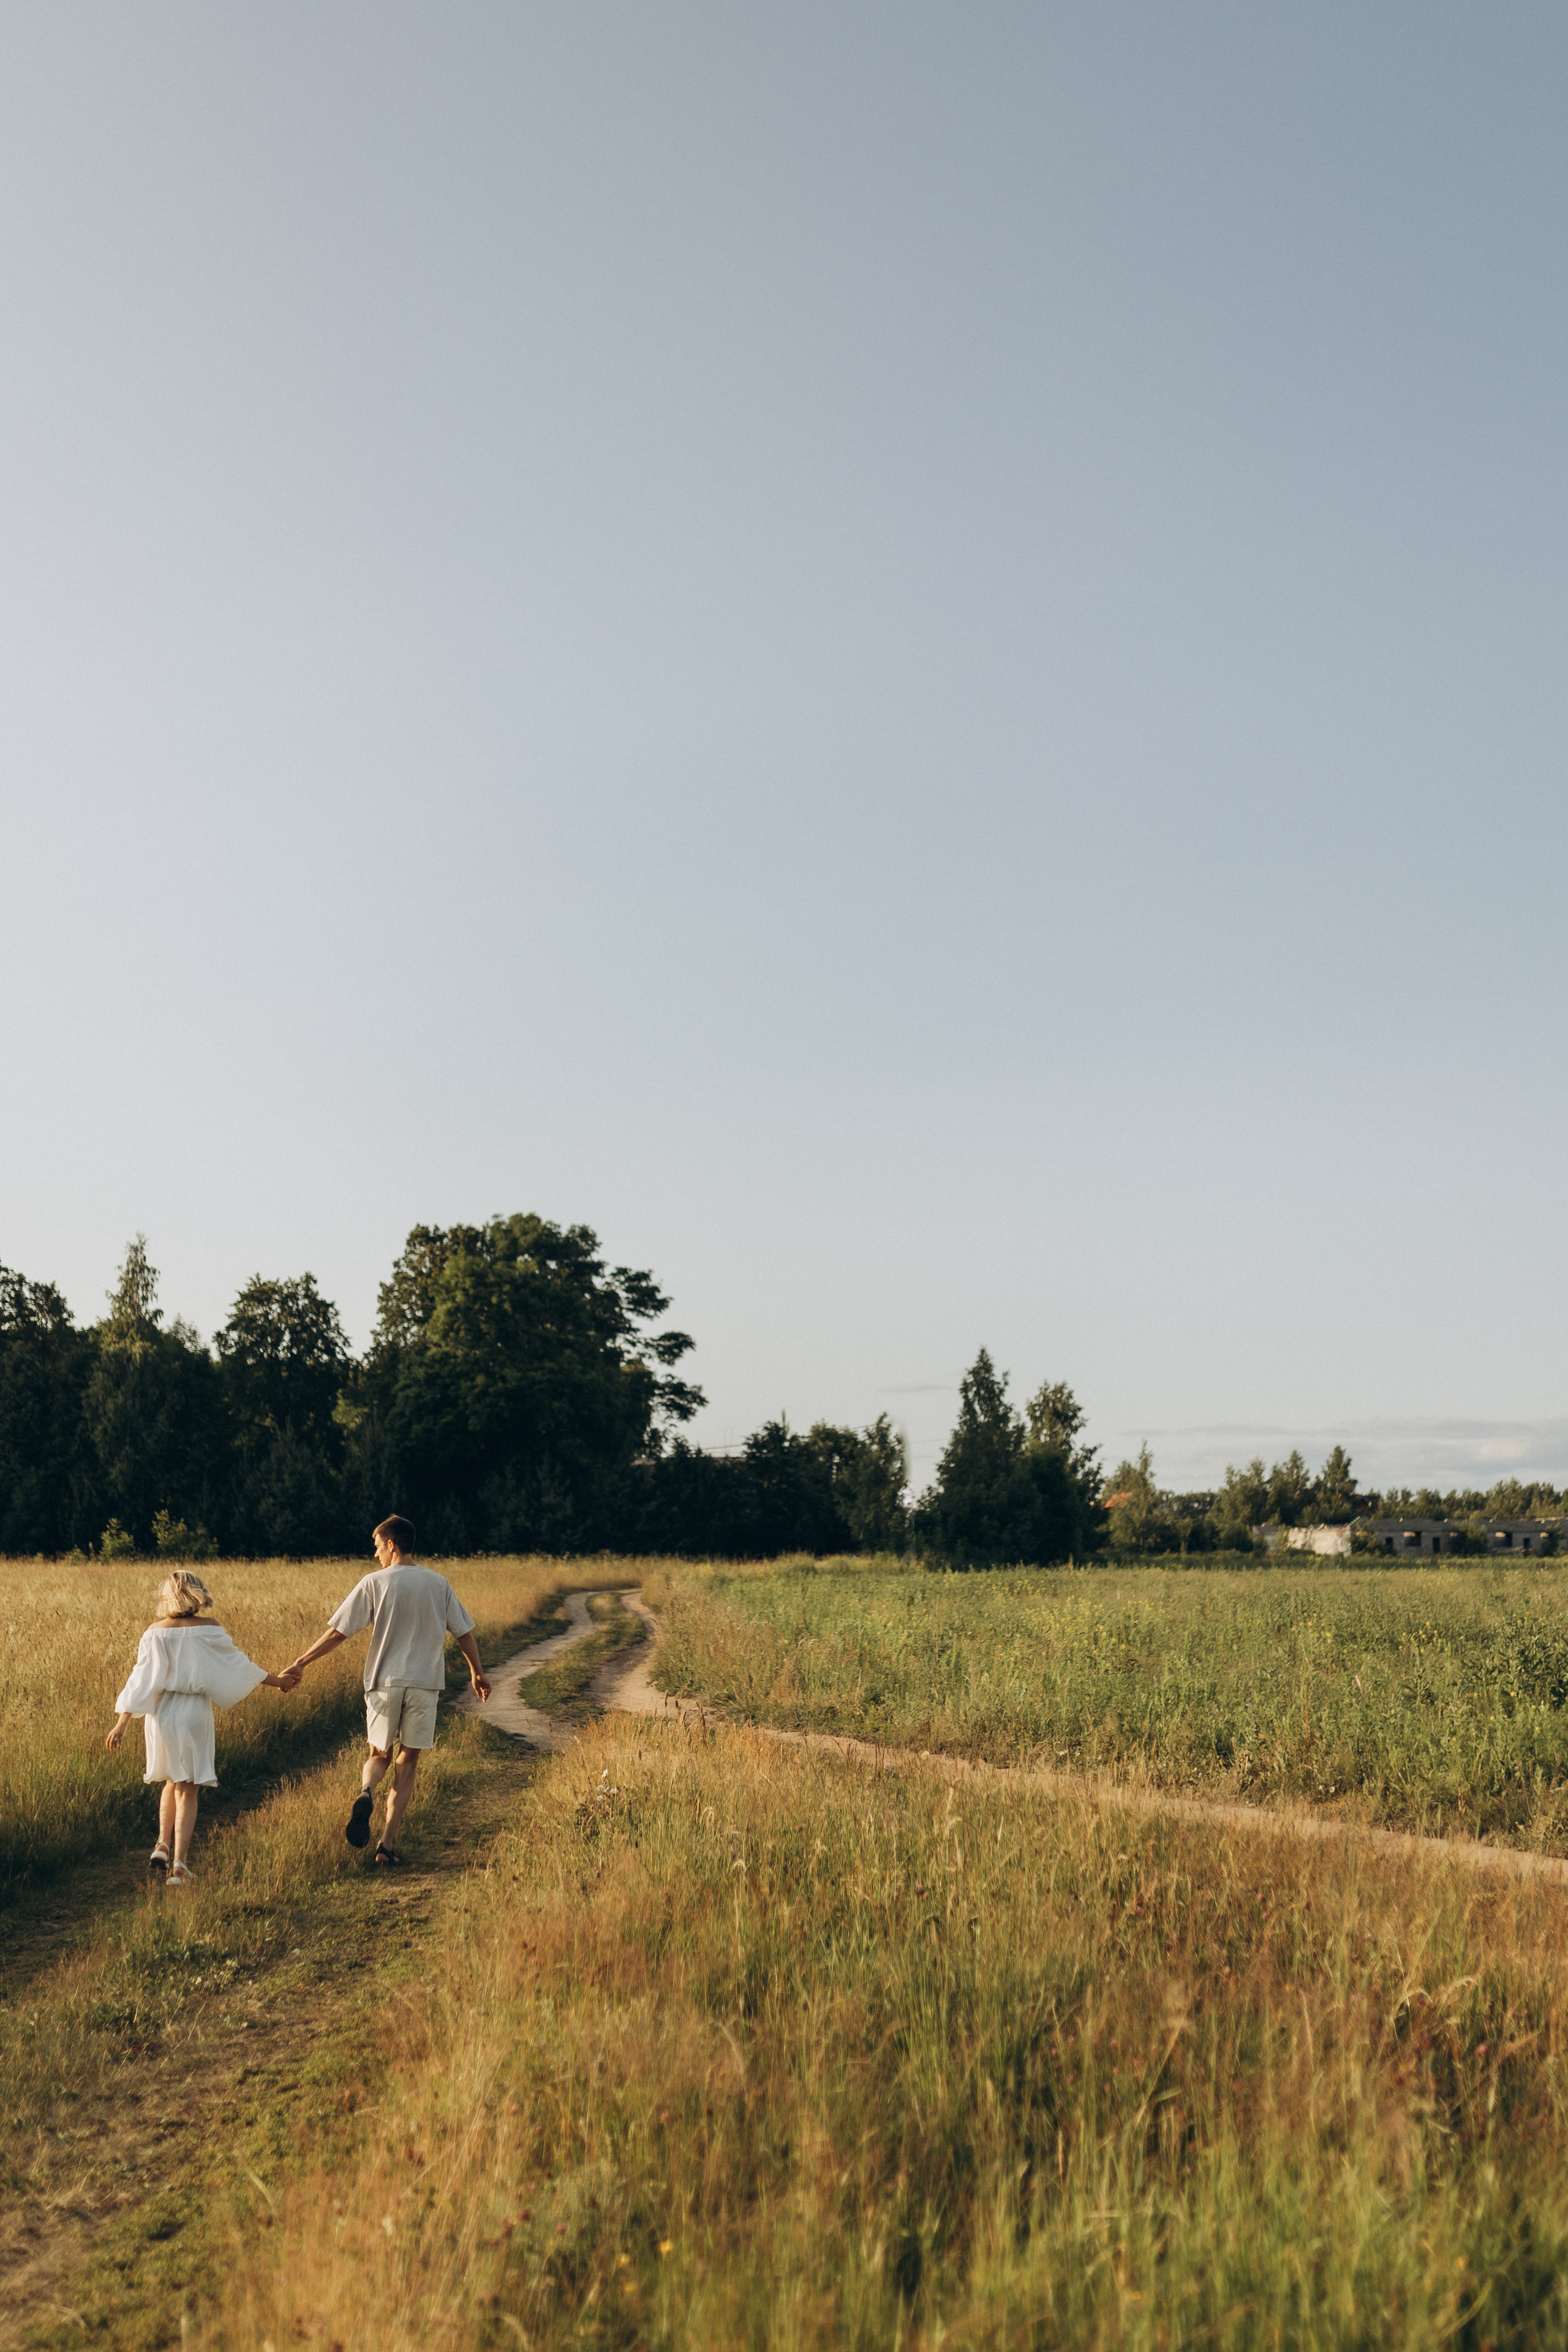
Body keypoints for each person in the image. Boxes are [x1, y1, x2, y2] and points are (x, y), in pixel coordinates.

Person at [282, 1515, 490, 1867]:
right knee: (407, 1762)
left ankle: (366, 1792)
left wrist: (302, 1662)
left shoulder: (374, 1583)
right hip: (425, 1684)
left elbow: (338, 1633)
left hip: (383, 1683)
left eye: (377, 1546)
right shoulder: (438, 1584)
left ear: (392, 1544)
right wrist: (477, 1672)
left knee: (379, 1754)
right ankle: (386, 1845)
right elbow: (464, 1633)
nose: (375, 1552)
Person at [105, 1569, 298, 1885]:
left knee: (172, 1780)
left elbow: (141, 1679)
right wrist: (278, 1681)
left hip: (162, 1714)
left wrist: (122, 1723)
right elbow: (239, 1665)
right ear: (198, 1594)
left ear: (167, 1596)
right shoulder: (209, 1629)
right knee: (189, 1787)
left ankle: (161, 1845)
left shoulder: (154, 1632)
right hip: (193, 1712)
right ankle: (179, 1867)